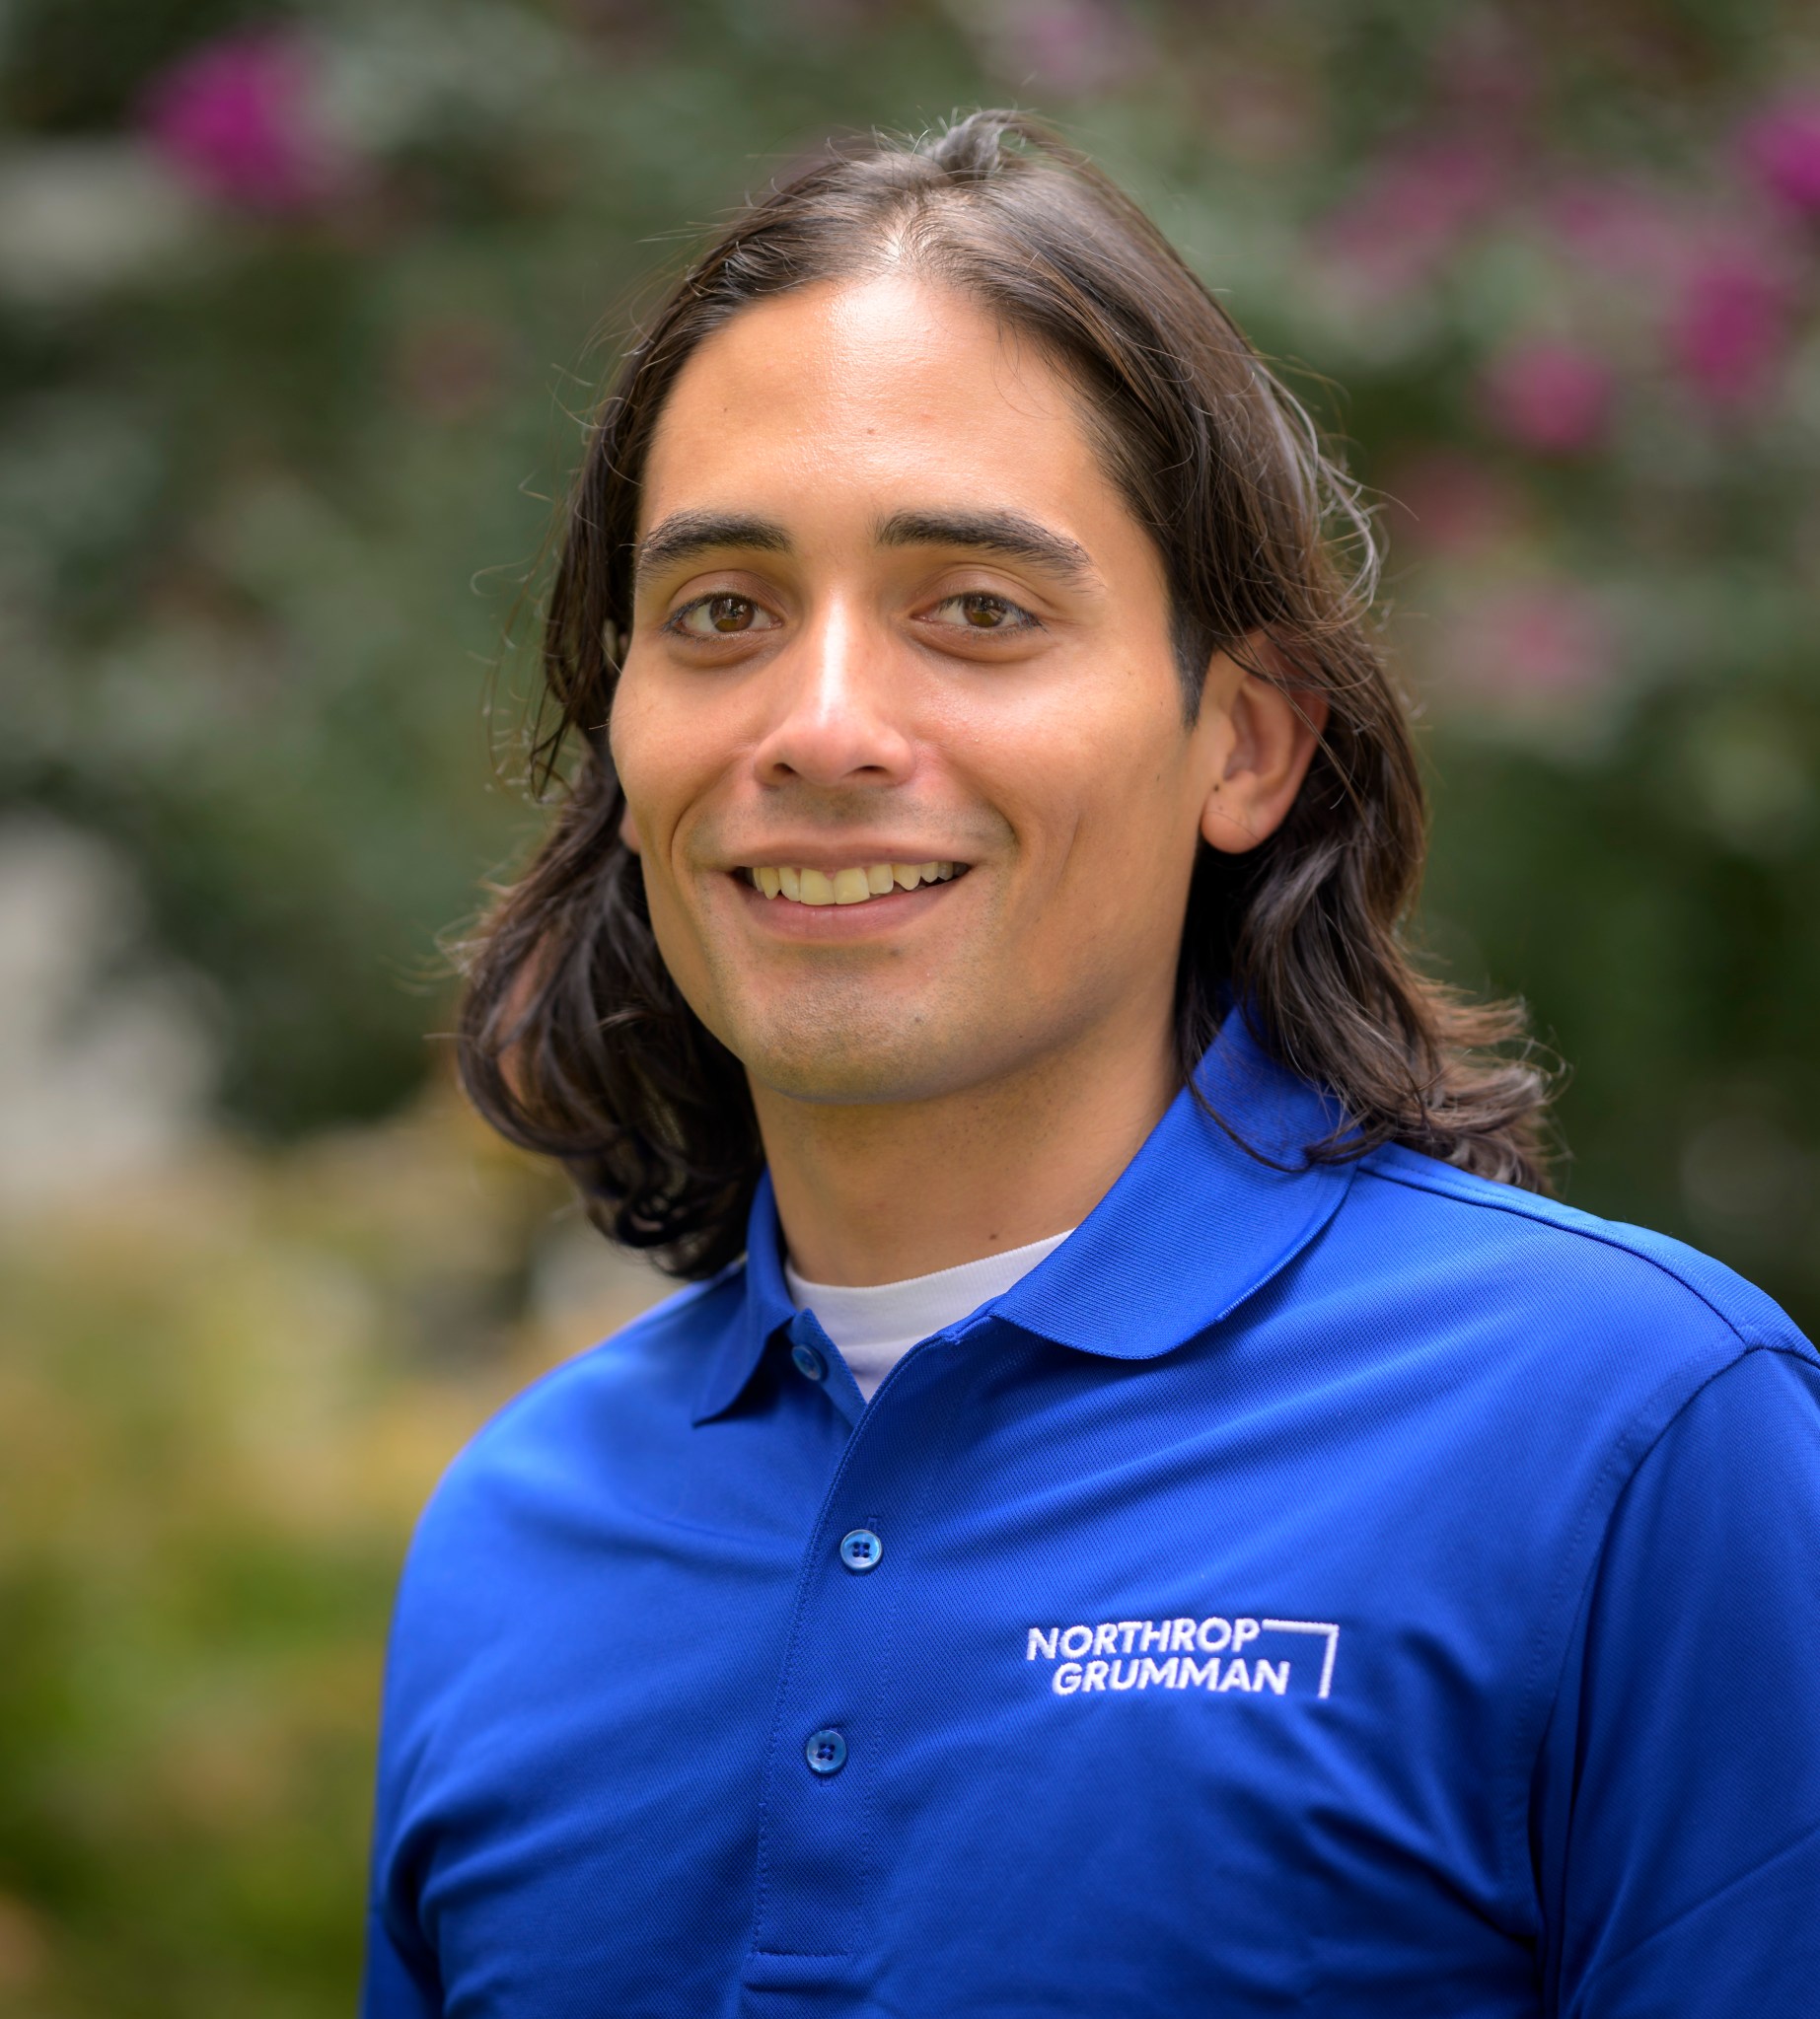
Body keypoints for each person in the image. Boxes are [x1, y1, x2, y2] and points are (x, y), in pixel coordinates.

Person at [360, 110, 1820, 2017]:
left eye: (977, 610)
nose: (819, 725)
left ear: (1244, 743)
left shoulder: (1632, 1438)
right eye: (720, 612)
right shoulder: (513, 1538)